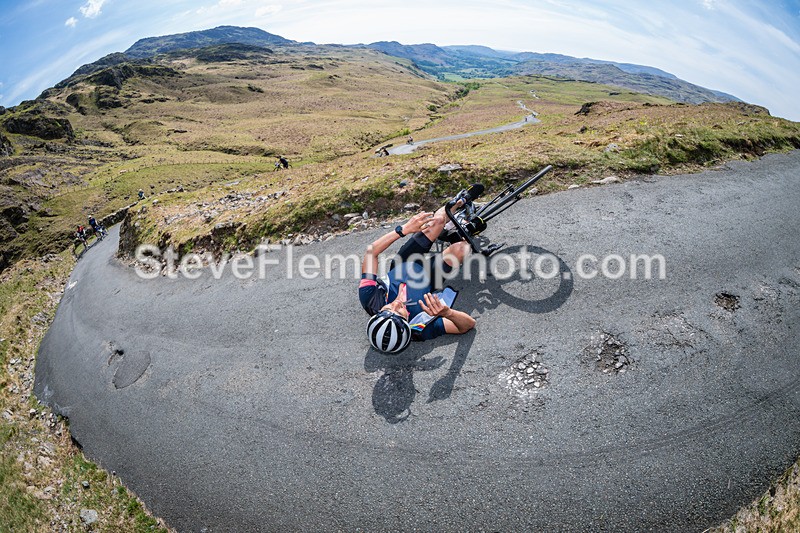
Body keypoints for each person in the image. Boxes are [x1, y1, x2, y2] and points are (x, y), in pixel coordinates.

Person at [359, 202, 477, 354]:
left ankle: (453, 209)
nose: (395, 304)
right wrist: (447, 313)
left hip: (405, 262)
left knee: (438, 221)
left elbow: (371, 252)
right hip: (428, 277)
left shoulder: (369, 299)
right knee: (462, 248)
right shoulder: (421, 328)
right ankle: (454, 232)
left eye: (388, 308)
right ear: (407, 324)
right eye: (400, 311)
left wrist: (403, 230)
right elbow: (468, 325)